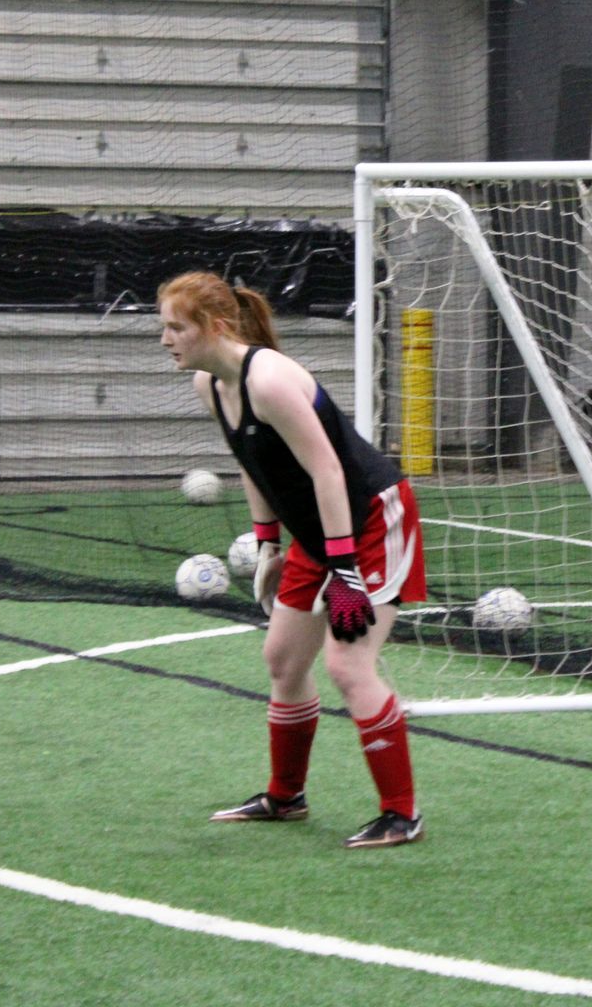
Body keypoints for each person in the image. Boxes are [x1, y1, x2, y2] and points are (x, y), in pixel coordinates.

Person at [158, 271, 427, 848]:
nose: (166, 339)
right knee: (282, 659)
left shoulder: (273, 381)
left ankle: (402, 814)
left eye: (176, 327)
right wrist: (269, 545)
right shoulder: (211, 384)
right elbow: (255, 463)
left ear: (215, 327)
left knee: (347, 666)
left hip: (372, 519)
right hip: (320, 531)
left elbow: (329, 471)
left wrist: (346, 575)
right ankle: (285, 797)